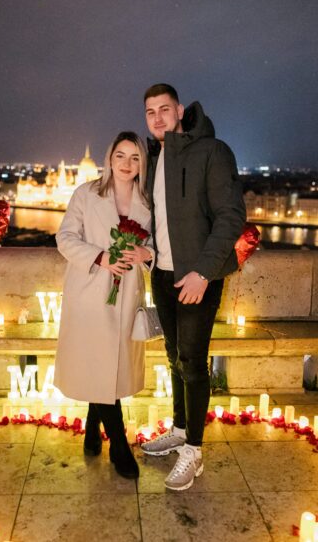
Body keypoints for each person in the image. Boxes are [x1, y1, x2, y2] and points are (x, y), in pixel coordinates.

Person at [141, 84, 246, 491]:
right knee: (174, 358)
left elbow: (231, 216)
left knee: (193, 362)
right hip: (163, 275)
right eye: (150, 112)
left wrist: (203, 272)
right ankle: (181, 429)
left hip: (197, 278)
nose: (157, 117)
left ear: (180, 110)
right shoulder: (155, 157)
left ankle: (195, 451)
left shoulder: (212, 151)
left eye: (164, 109)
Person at [54, 131, 153, 479]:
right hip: (90, 290)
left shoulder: (149, 199)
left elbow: (158, 244)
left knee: (112, 363)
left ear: (142, 162)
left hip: (127, 293)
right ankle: (120, 445)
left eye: (135, 157)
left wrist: (146, 253)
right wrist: (100, 257)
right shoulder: (86, 193)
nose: (127, 164)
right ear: (109, 158)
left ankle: (93, 421)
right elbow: (64, 237)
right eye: (120, 156)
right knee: (98, 359)